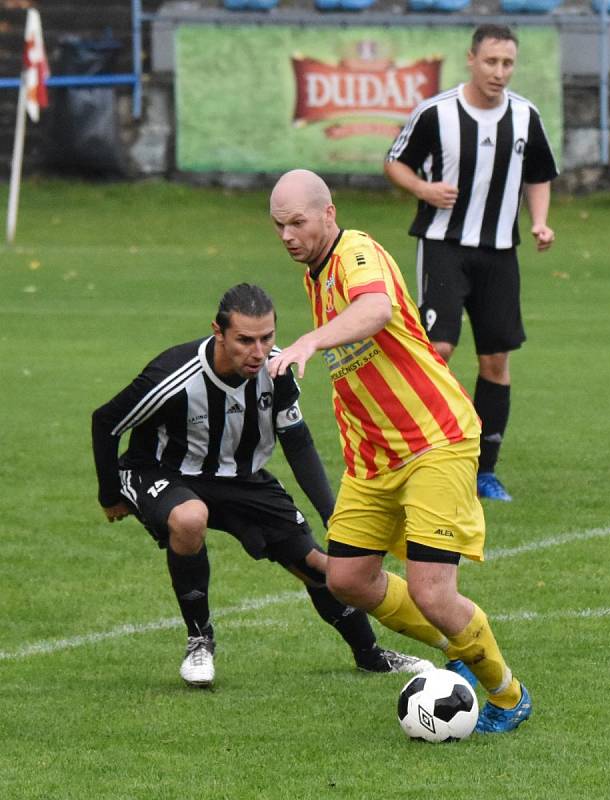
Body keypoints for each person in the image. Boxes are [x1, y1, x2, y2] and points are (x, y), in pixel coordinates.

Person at [268, 169, 531, 733]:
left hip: (434, 438)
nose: (288, 235)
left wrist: (310, 340)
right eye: (279, 226)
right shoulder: (315, 274)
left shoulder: (355, 250)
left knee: (435, 590)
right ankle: (457, 645)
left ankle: (507, 694)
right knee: (347, 579)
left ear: (328, 213)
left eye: (297, 222)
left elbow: (376, 311)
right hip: (375, 457)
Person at [91, 283, 435, 687]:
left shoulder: (276, 369)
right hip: (163, 472)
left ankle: (370, 655)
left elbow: (298, 441)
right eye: (245, 340)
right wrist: (111, 494)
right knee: (189, 517)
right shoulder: (173, 374)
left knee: (321, 566)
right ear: (218, 332)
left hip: (242, 480)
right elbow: (106, 421)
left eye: (266, 338)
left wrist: (333, 516)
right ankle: (200, 642)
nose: (258, 351)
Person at [384, 24, 558, 502]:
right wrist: (423, 189)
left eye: (507, 64)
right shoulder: (437, 112)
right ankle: (420, 453)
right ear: (471, 59)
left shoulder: (525, 117)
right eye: (491, 62)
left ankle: (484, 471)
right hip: (443, 244)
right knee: (438, 349)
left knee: (495, 361)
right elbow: (395, 161)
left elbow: (539, 174)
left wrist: (540, 222)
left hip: (500, 251)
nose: (499, 72)